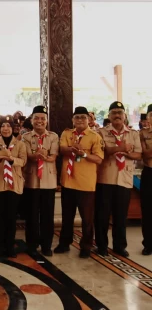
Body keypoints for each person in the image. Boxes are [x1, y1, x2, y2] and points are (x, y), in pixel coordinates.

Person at [55, 106, 104, 258]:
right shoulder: (67, 133)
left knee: (87, 218)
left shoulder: (95, 136)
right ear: (73, 120)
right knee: (67, 216)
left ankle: (86, 246)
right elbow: (62, 149)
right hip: (68, 181)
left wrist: (83, 154)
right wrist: (72, 149)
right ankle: (64, 243)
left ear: (89, 119)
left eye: (83, 117)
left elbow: (99, 159)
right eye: (77, 117)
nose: (80, 120)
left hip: (86, 183)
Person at [95, 102, 142, 257]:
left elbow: (138, 154)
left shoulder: (133, 134)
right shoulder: (101, 132)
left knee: (121, 216)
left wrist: (126, 154)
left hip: (124, 179)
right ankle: (101, 246)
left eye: (120, 113)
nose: (117, 115)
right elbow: (105, 151)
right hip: (105, 178)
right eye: (114, 112)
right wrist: (121, 148)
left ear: (124, 116)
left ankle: (119, 246)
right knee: (102, 215)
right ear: (109, 116)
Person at [21, 106, 58, 256]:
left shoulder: (54, 136)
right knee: (31, 215)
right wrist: (40, 155)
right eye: (36, 118)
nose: (39, 121)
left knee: (47, 215)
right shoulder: (26, 137)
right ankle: (31, 244)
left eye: (42, 118)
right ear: (31, 120)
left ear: (46, 121)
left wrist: (43, 156)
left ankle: (46, 245)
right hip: (32, 180)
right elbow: (27, 155)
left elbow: (54, 156)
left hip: (48, 180)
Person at [0, 116, 27, 258]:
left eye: (8, 126)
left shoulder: (20, 144)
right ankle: (0, 246)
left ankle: (10, 246)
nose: (5, 128)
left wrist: (11, 159)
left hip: (14, 184)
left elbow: (23, 161)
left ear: (13, 129)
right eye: (3, 126)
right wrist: (0, 156)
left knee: (11, 217)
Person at [140, 104, 152, 255]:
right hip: (149, 173)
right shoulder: (143, 134)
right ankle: (148, 243)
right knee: (147, 210)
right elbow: (144, 154)